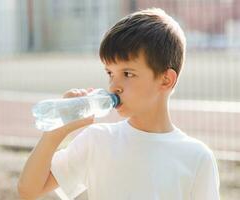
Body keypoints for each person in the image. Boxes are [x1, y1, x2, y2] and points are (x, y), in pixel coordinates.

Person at [18, 8, 220, 200]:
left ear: (166, 80)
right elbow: (29, 190)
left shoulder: (196, 157)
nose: (114, 85)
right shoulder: (97, 140)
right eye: (110, 73)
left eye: (128, 74)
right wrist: (54, 135)